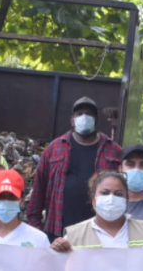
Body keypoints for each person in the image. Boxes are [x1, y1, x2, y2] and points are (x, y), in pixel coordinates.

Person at [27, 96, 122, 242]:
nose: (84, 117)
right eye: (79, 114)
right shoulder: (54, 148)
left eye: (89, 114)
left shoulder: (113, 150)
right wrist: (34, 227)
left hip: (100, 234)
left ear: (96, 119)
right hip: (58, 231)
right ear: (72, 120)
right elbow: (39, 189)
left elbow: (124, 191)